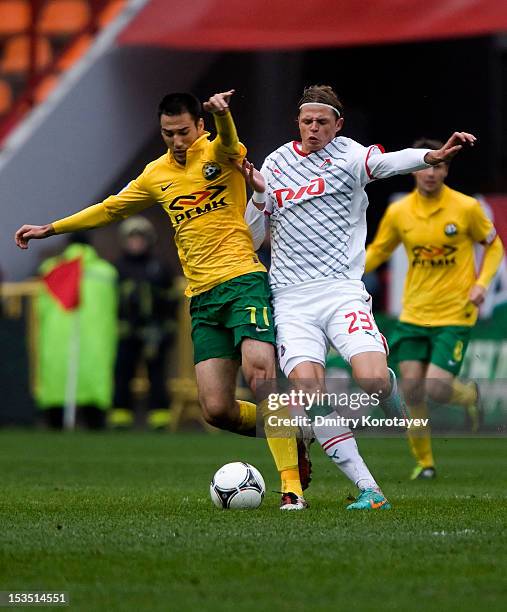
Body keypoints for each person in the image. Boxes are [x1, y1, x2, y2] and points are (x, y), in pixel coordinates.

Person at [14, 90, 308, 509]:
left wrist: (223, 116)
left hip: (243, 279)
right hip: (203, 296)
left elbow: (229, 141)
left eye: (184, 131)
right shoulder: (156, 174)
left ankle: (292, 486)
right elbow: (110, 209)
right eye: (168, 133)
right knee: (216, 409)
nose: (177, 140)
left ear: (199, 126)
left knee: (260, 374)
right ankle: (292, 430)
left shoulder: (220, 151)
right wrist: (52, 228)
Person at [243, 84, 477, 509]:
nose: (314, 129)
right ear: (298, 122)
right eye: (307, 121)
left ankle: (386, 385)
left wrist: (432, 157)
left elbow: (390, 161)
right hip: (291, 298)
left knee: (371, 380)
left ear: (338, 125)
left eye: (323, 122)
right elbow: (254, 237)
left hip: (340, 290)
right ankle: (371, 491)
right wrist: (258, 195)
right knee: (309, 396)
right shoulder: (275, 164)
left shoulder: (351, 156)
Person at [365, 138, 504, 479]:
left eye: (438, 167)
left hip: (455, 313)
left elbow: (494, 246)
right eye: (425, 166)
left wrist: (481, 284)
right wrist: (341, 275)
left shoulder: (466, 209)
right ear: (414, 170)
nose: (431, 173)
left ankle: (469, 395)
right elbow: (378, 251)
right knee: (412, 388)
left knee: (437, 388)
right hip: (413, 314)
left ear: (446, 170)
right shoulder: (399, 212)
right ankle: (425, 463)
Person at [35, 232, 118, 429]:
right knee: (95, 379)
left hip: (56, 336)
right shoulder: (106, 272)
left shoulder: (51, 269)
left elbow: (41, 307)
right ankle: (95, 424)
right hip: (97, 337)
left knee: (57, 378)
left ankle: (55, 424)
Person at [110, 216, 178, 431]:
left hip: (154, 332)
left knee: (157, 374)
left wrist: (167, 329)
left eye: (140, 238)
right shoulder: (117, 268)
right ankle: (120, 417)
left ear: (149, 240)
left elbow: (171, 301)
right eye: (132, 239)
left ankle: (160, 418)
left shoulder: (159, 267)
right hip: (125, 332)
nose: (136, 243)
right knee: (123, 373)